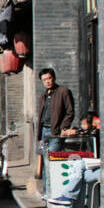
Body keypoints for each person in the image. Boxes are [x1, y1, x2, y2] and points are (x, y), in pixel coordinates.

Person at [36, 68, 75, 197]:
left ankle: (53, 193)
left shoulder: (63, 92)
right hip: (44, 132)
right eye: (44, 80)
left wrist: (64, 127)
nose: (47, 82)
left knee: (52, 163)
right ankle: (47, 192)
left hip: (56, 133)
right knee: (45, 164)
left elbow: (70, 112)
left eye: (49, 78)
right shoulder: (44, 95)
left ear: (54, 78)